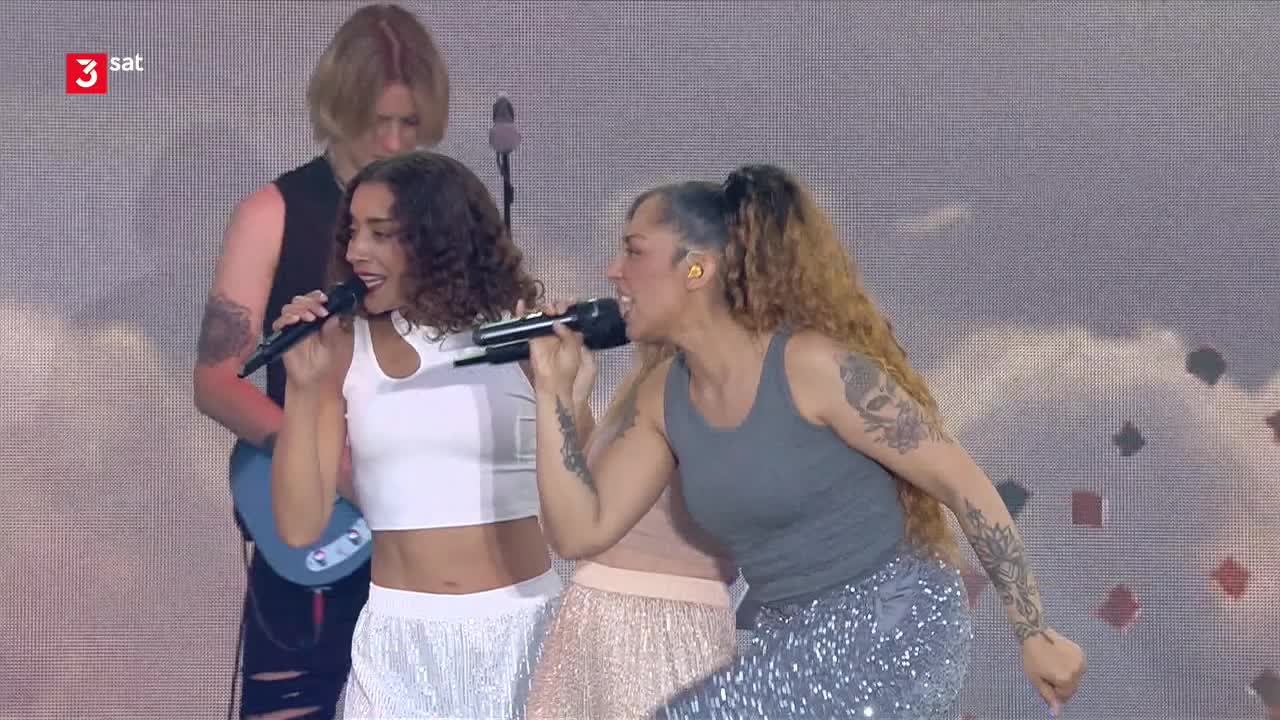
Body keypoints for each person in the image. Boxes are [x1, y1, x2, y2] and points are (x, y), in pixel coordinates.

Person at [525, 169, 1088, 719]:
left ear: (697, 268)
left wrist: (1034, 631)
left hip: (894, 619)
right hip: (789, 638)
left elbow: (961, 483)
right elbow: (580, 531)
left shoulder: (812, 366)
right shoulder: (662, 397)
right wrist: (553, 393)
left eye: (634, 251)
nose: (613, 271)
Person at [270, 150, 593, 720]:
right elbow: (298, 527)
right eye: (352, 231)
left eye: (380, 233)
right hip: (398, 642)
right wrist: (302, 387)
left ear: (436, 239)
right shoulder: (343, 346)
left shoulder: (523, 337)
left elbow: (587, 488)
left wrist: (564, 390)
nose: (356, 251)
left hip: (525, 631)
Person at [191, 5, 449, 718]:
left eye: (410, 124)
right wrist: (327, 464)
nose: (393, 141)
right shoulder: (273, 212)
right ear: (339, 109)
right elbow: (216, 380)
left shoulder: (440, 218)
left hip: (420, 533)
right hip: (317, 522)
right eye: (377, 122)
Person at [524, 341, 738, 720]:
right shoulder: (649, 378)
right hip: (594, 621)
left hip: (660, 630)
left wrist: (553, 393)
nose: (624, 312)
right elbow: (576, 513)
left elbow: (576, 535)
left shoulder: (703, 380)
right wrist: (571, 397)